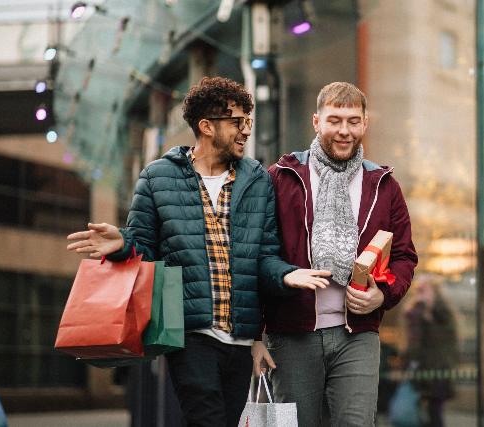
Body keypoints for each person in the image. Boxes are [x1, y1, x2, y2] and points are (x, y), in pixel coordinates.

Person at [66, 76, 330, 427]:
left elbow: (264, 255)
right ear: (206, 126)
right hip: (190, 335)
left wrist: (285, 275)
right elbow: (144, 250)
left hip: (239, 337)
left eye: (247, 121)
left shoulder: (256, 179)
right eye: (237, 121)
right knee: (205, 418)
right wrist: (122, 244)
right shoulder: (157, 177)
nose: (246, 130)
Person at [258, 81, 418, 426]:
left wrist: (383, 295)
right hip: (292, 333)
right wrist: (286, 276)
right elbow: (257, 253)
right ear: (317, 122)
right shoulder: (282, 177)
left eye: (353, 121)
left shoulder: (384, 184)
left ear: (364, 124)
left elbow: (405, 256)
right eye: (335, 120)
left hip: (357, 333)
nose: (344, 131)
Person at [402, 274, 459, 427]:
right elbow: (413, 342)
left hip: (438, 370)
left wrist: (427, 313)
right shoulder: (415, 312)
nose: (419, 294)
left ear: (434, 291)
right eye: (418, 290)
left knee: (434, 412)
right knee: (418, 413)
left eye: (424, 290)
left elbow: (445, 340)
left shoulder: (443, 313)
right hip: (420, 370)